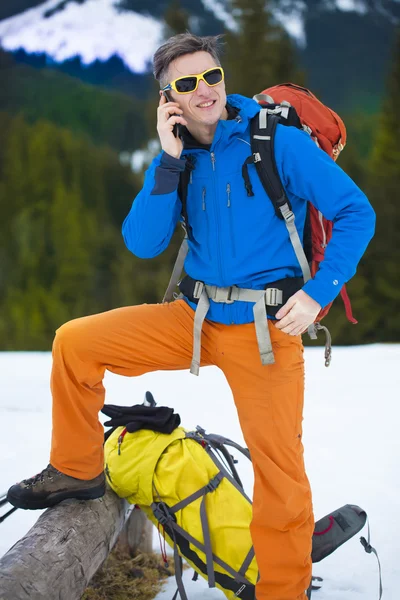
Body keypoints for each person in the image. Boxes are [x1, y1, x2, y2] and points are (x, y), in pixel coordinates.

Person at [7, 33, 375, 600]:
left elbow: (356, 212)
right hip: (194, 319)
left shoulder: (275, 140)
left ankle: (283, 588)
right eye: (186, 84)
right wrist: (169, 160)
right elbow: (143, 242)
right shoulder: (176, 156)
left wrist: (319, 291)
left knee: (280, 473)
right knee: (75, 343)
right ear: (167, 100)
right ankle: (79, 468)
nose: (205, 91)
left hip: (267, 330)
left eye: (213, 76)